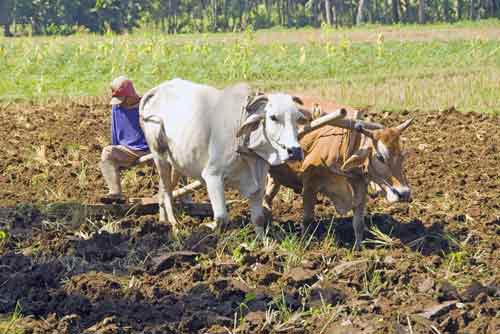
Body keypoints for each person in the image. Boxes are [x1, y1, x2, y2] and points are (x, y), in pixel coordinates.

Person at [100, 76, 150, 204]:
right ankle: (115, 193)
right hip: (128, 150)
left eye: (122, 99)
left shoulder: (146, 106)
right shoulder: (116, 107)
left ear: (130, 95)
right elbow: (115, 130)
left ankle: (178, 197)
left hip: (149, 149)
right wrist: (116, 156)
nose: (120, 103)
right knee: (107, 152)